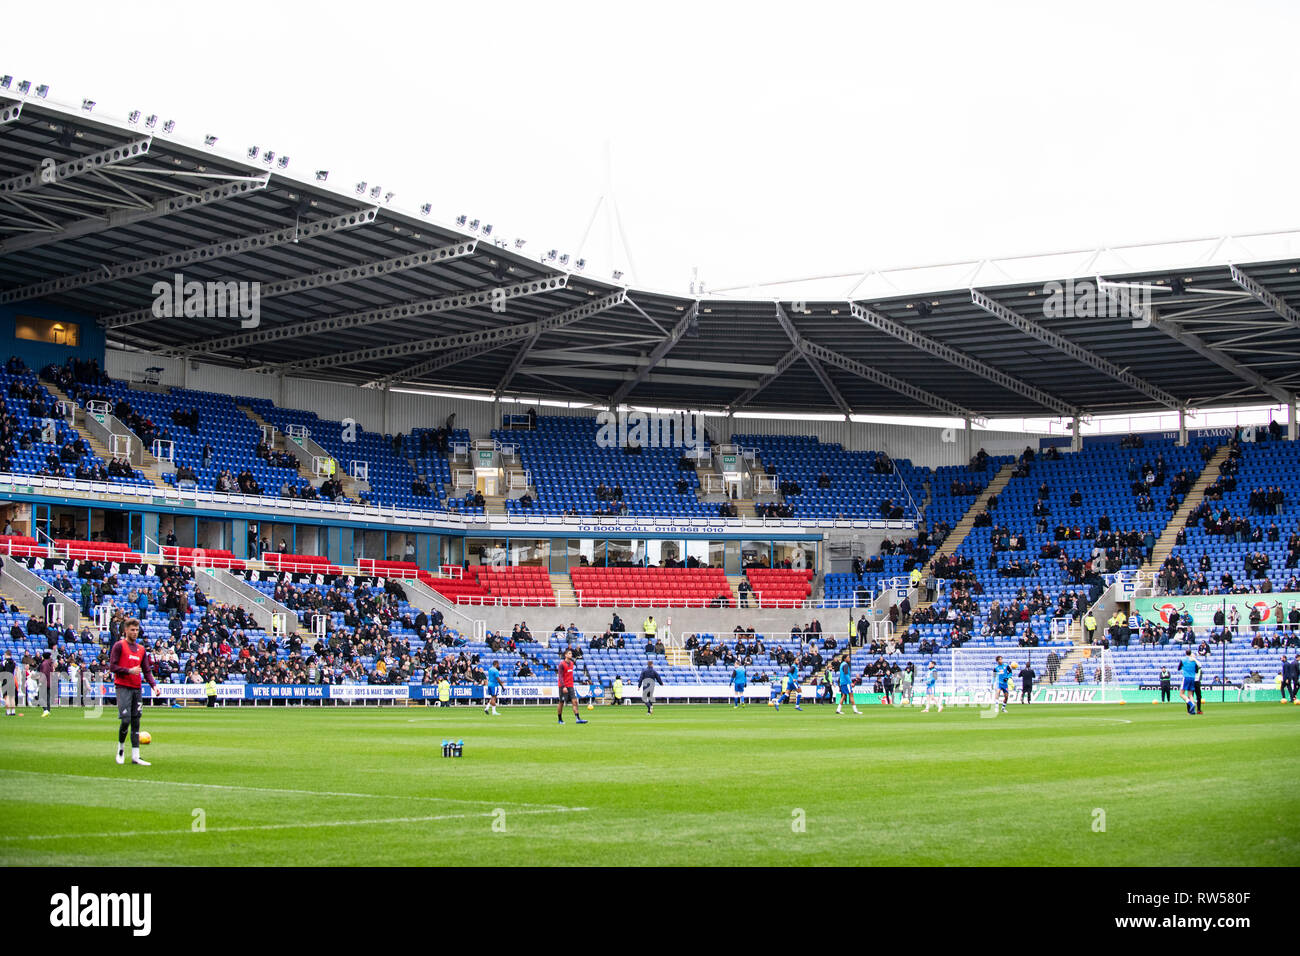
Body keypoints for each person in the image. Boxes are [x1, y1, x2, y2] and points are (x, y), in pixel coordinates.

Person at [109, 618, 157, 765]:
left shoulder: (141, 649)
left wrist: (154, 685)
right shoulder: (119, 646)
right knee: (125, 720)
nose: (135, 632)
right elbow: (112, 667)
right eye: (132, 630)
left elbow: (147, 670)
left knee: (136, 721)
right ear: (126, 630)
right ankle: (121, 749)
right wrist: (128, 670)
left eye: (136, 630)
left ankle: (136, 756)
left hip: (137, 689)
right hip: (123, 687)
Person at [556, 649, 587, 724]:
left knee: (575, 701)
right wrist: (563, 686)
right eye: (569, 653)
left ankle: (578, 718)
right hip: (563, 686)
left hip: (570, 685)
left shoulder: (572, 663)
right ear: (566, 655)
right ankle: (560, 719)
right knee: (561, 702)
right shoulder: (561, 664)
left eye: (571, 653)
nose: (571, 655)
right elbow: (560, 676)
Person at [1177, 649, 1199, 716]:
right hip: (1192, 678)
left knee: (1181, 694)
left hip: (1186, 677)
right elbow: (1197, 671)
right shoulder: (1194, 661)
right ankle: (1193, 711)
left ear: (1185, 653)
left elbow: (1178, 668)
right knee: (1190, 694)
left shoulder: (1183, 660)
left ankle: (1191, 704)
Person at [1, 649, 16, 716]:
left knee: (6, 697)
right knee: (12, 697)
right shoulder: (13, 662)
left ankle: (8, 711)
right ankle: (13, 711)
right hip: (12, 679)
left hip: (5, 679)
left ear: (6, 654)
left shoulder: (4, 662)